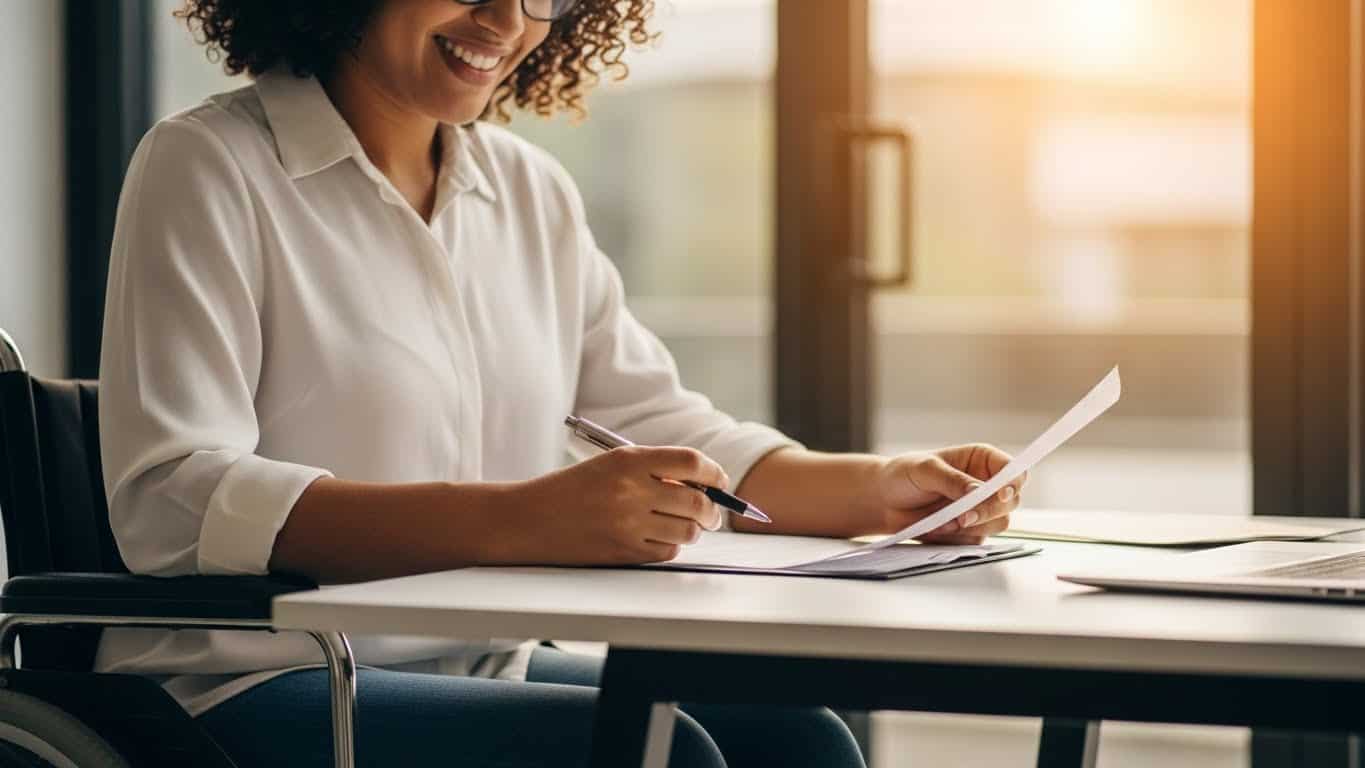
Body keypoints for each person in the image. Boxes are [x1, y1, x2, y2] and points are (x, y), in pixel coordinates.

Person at [96, 0, 1026, 765]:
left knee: (795, 738)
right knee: (654, 749)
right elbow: (175, 497)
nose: (509, 18)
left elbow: (661, 427)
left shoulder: (528, 190)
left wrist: (886, 490)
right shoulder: (208, 166)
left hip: (482, 664)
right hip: (256, 681)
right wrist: (523, 517)